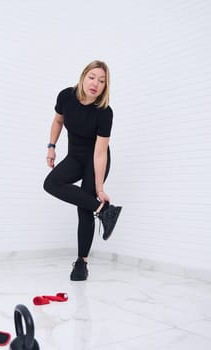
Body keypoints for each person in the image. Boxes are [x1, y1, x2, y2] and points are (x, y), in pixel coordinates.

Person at [43, 60, 122, 281]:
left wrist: (99, 187)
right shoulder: (66, 96)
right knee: (51, 183)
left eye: (102, 81)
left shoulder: (104, 113)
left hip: (95, 160)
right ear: (83, 76)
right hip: (75, 156)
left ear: (106, 86)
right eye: (92, 77)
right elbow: (58, 121)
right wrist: (51, 147)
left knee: (84, 207)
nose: (95, 83)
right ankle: (105, 211)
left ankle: (81, 263)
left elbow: (100, 153)